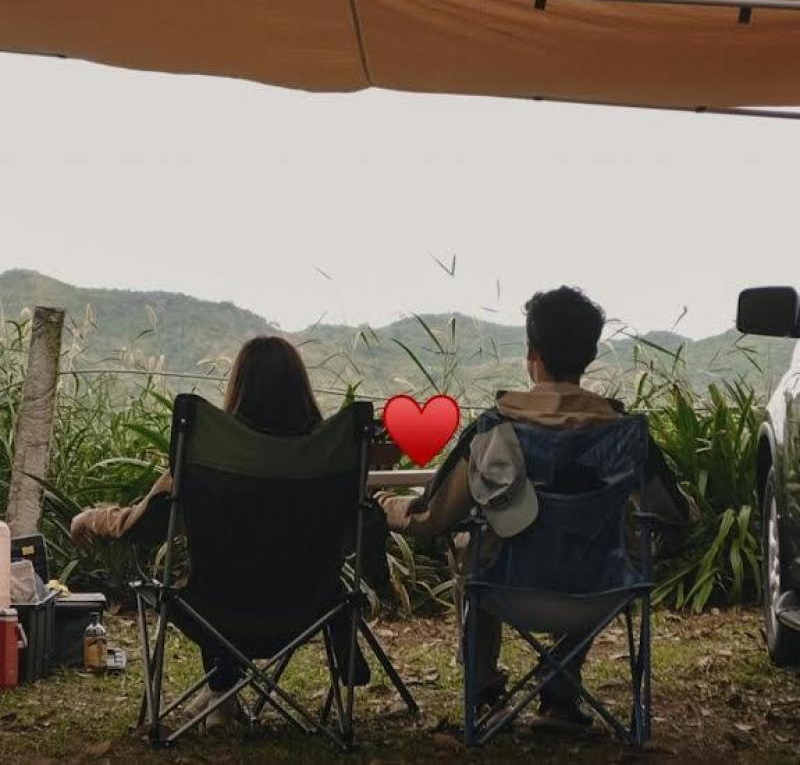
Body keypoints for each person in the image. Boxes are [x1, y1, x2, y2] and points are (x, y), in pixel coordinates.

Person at [379, 286, 695, 727]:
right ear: (590, 355)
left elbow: (432, 517)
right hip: (600, 594)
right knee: (602, 550)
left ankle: (483, 689)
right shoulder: (625, 433)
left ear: (532, 353)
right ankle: (560, 693)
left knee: (475, 544)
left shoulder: (493, 429)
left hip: (505, 590)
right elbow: (676, 513)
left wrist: (385, 505)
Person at [71, 335, 325, 728]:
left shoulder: (210, 452)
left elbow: (142, 523)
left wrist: (91, 518)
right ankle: (222, 693)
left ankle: (221, 692)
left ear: (239, 387)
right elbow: (355, 528)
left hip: (215, 609)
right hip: (308, 607)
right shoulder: (328, 457)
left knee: (223, 568)